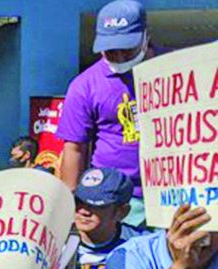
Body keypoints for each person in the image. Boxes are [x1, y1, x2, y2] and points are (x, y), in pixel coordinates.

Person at [56, 0, 159, 227]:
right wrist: (68, 210)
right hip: (112, 200)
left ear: (145, 36)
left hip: (170, 193)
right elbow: (74, 149)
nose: (120, 57)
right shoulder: (84, 86)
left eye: (127, 49)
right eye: (112, 51)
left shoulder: (174, 70)